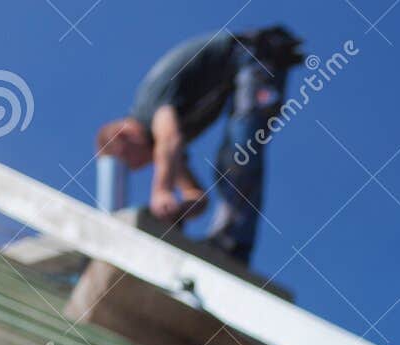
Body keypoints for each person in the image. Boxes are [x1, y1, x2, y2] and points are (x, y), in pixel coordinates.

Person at [95, 25, 304, 263]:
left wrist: (161, 191)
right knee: (231, 160)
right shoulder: (161, 145)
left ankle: (232, 247)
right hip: (242, 68)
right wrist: (181, 208)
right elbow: (197, 195)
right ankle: (229, 243)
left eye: (132, 161)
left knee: (239, 151)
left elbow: (170, 139)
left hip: (254, 54)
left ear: (122, 137)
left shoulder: (148, 107)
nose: (143, 165)